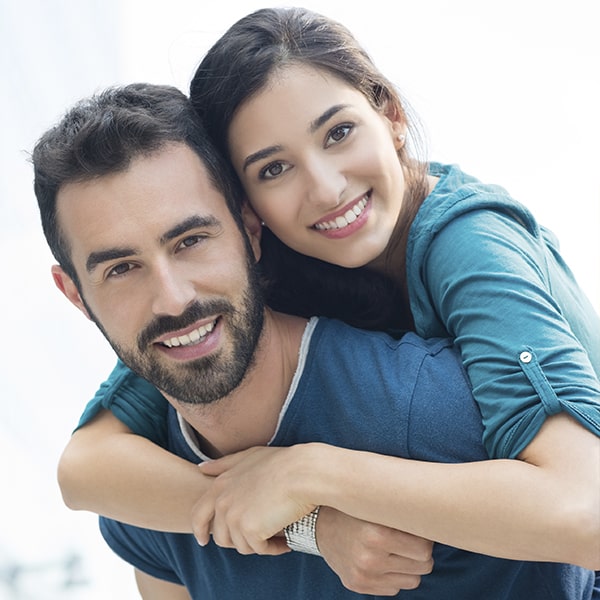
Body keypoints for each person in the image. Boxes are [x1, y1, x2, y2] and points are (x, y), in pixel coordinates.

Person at [33, 82, 598, 599]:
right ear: (76, 296)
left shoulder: (427, 411)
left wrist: (315, 479)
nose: (173, 300)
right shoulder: (144, 495)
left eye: (191, 241)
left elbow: (582, 521)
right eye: (121, 269)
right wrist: (312, 526)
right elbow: (80, 471)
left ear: (252, 231)